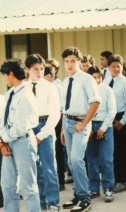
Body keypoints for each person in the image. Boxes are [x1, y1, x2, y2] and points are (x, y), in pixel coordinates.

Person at [60, 46, 101, 212]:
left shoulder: (86, 79)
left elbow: (96, 102)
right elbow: (65, 107)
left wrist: (84, 123)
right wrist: (63, 129)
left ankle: (85, 199)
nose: (69, 64)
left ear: (79, 62)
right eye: (67, 61)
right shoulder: (65, 81)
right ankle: (78, 194)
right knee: (71, 162)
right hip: (67, 123)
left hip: (80, 124)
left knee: (77, 160)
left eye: (73, 61)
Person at [0, 58, 40, 211]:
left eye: (5, 75)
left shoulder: (26, 96)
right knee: (8, 184)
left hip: (23, 142)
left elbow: (21, 127)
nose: (4, 79)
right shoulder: (10, 94)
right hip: (9, 140)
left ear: (11, 74)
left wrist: (3, 138)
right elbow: (4, 121)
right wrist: (3, 140)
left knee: (28, 186)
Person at [25, 54, 61, 211]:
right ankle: (41, 203)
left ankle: (53, 203)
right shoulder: (23, 87)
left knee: (48, 167)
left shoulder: (50, 87)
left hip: (45, 126)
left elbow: (55, 114)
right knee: (35, 168)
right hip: (29, 127)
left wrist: (41, 135)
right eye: (35, 69)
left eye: (41, 69)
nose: (39, 72)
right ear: (27, 70)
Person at [103, 54, 126, 193]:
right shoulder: (105, 82)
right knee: (110, 152)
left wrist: (123, 121)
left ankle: (122, 181)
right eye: (113, 66)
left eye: (119, 66)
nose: (116, 69)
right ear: (108, 67)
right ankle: (112, 178)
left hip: (121, 119)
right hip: (108, 118)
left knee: (122, 152)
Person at [86, 66, 117, 202]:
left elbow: (112, 111)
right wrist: (89, 126)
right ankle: (93, 188)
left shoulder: (107, 90)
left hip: (105, 125)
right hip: (90, 126)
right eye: (94, 77)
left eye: (99, 76)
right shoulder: (85, 90)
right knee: (91, 159)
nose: (97, 79)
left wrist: (103, 128)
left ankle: (108, 188)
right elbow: (84, 109)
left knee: (106, 159)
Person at [44, 65, 66, 191]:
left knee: (57, 152)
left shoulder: (57, 88)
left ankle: (60, 181)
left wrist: (62, 127)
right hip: (43, 121)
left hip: (56, 120)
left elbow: (62, 109)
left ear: (48, 76)